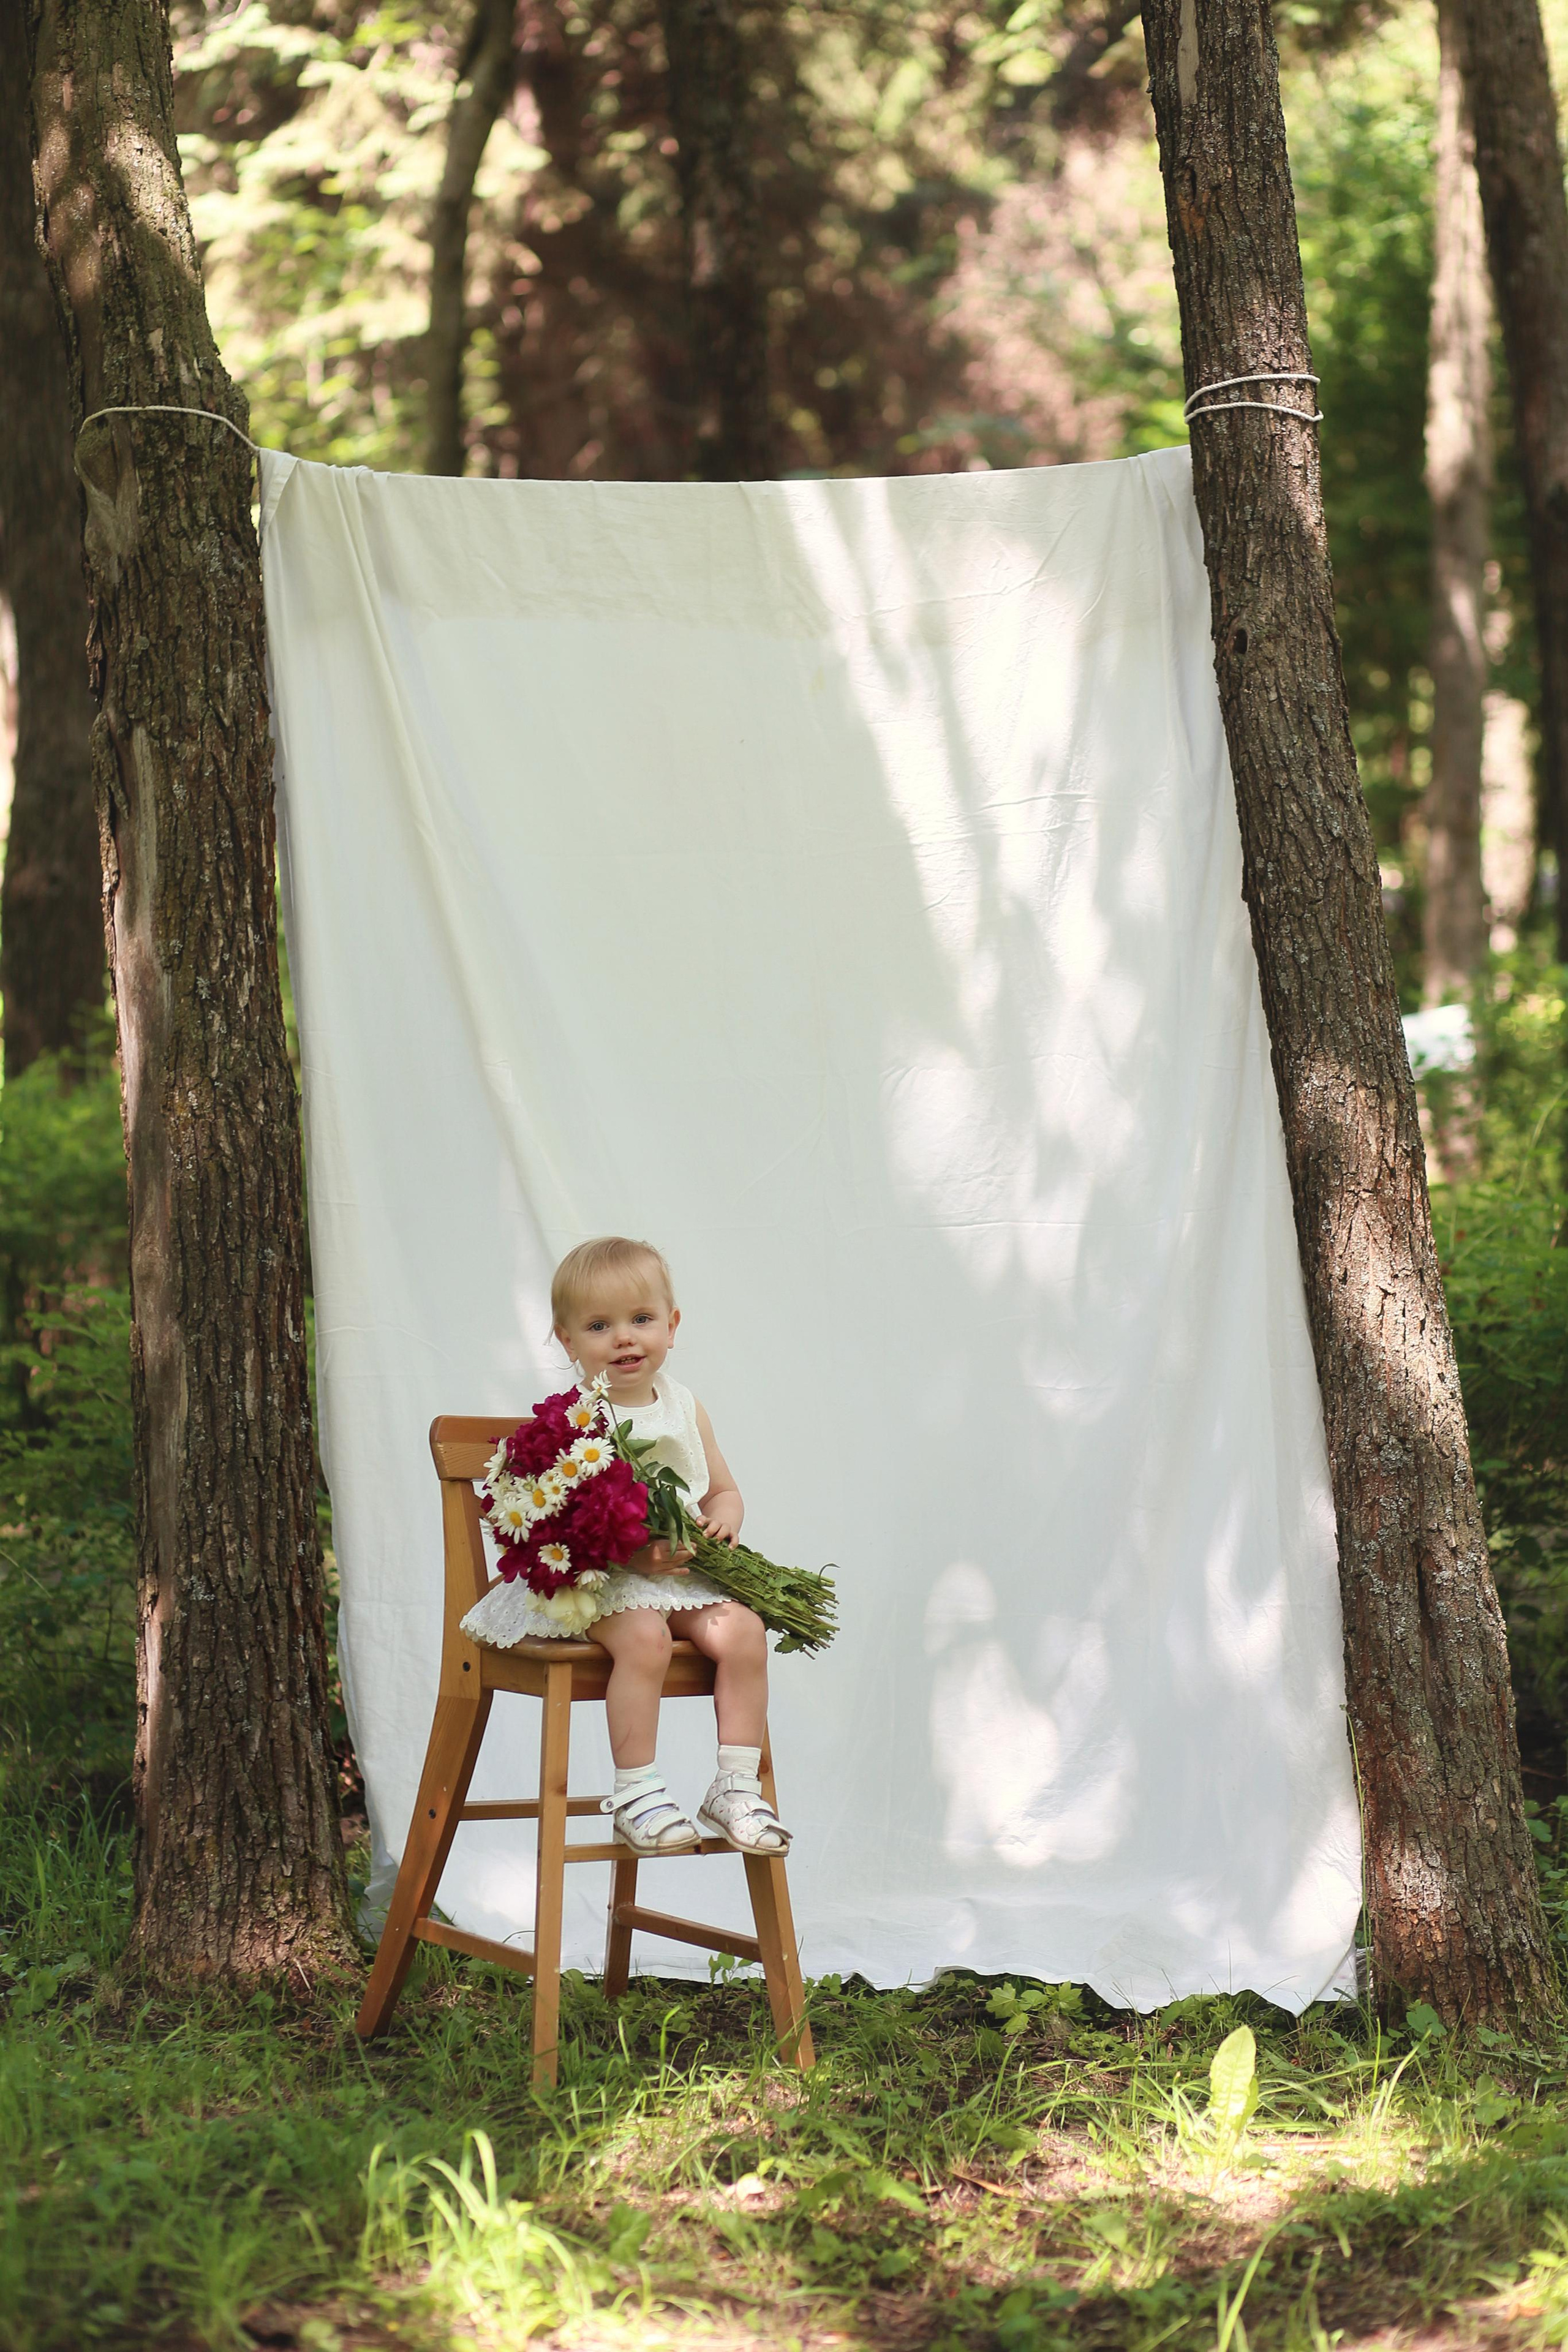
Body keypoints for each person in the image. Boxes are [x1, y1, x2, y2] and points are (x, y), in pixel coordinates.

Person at [462, 1235, 791, 1858]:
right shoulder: (576, 1422)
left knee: (745, 1631)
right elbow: (568, 1518)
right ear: (567, 1341)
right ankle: (636, 1791)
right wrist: (630, 1553)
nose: (624, 1338)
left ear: (671, 1324)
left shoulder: (685, 1407)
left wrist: (723, 1522)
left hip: (682, 1573)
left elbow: (722, 1489)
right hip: (601, 1580)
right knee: (645, 1639)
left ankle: (734, 1788)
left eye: (641, 1320)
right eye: (598, 1325)